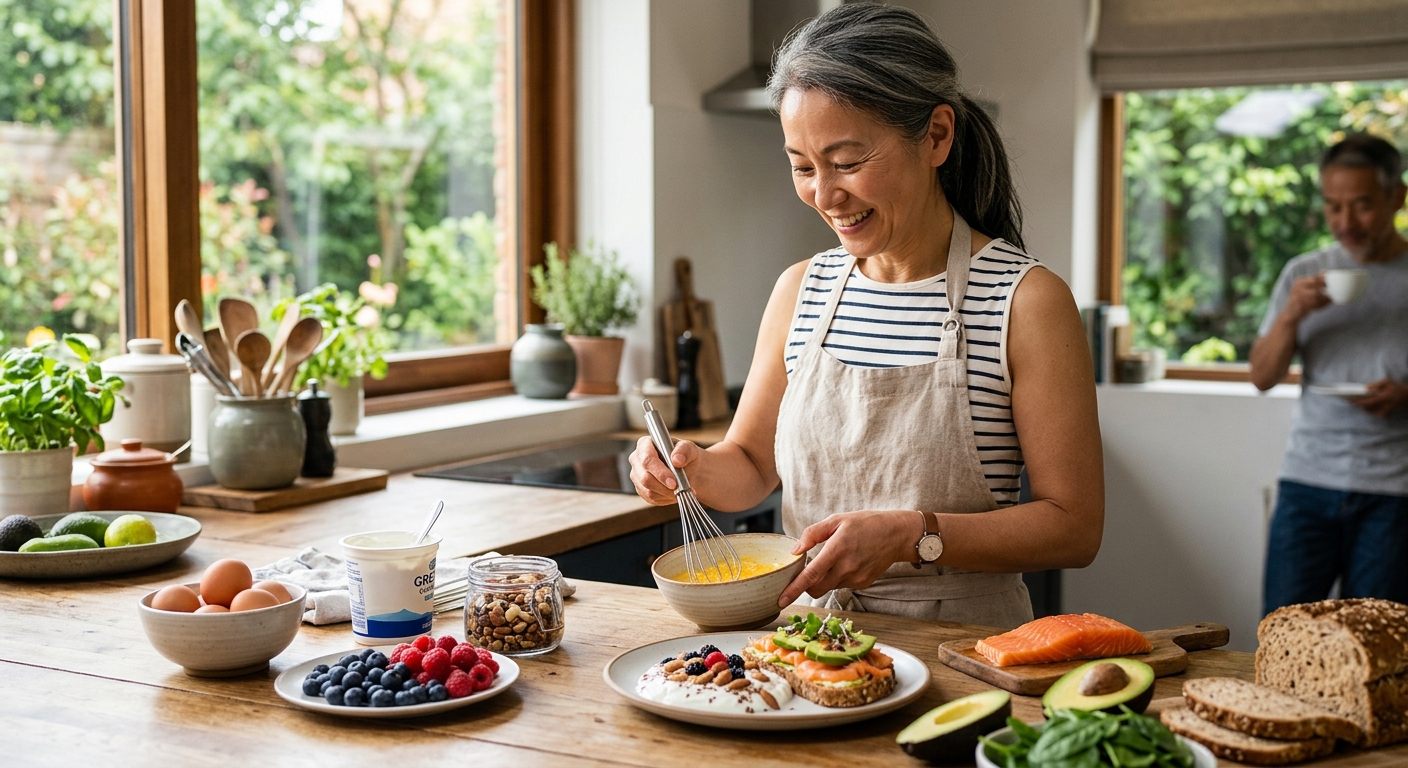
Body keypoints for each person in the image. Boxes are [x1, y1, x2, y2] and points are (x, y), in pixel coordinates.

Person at [627, 4, 1103, 628]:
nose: (824, 195)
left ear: (935, 136)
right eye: (802, 166)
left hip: (966, 652)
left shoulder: (1025, 300)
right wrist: (687, 467)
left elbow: (1074, 527)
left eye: (848, 162)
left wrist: (914, 535)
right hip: (810, 643)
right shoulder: (802, 290)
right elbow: (748, 467)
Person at [1251, 134, 1408, 613]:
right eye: (1332, 206)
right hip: (1306, 482)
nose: (1345, 223)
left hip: (1394, 492)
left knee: (1375, 644)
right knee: (1282, 632)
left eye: (1361, 206)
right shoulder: (1306, 274)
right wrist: (1290, 316)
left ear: (1396, 197)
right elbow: (1262, 375)